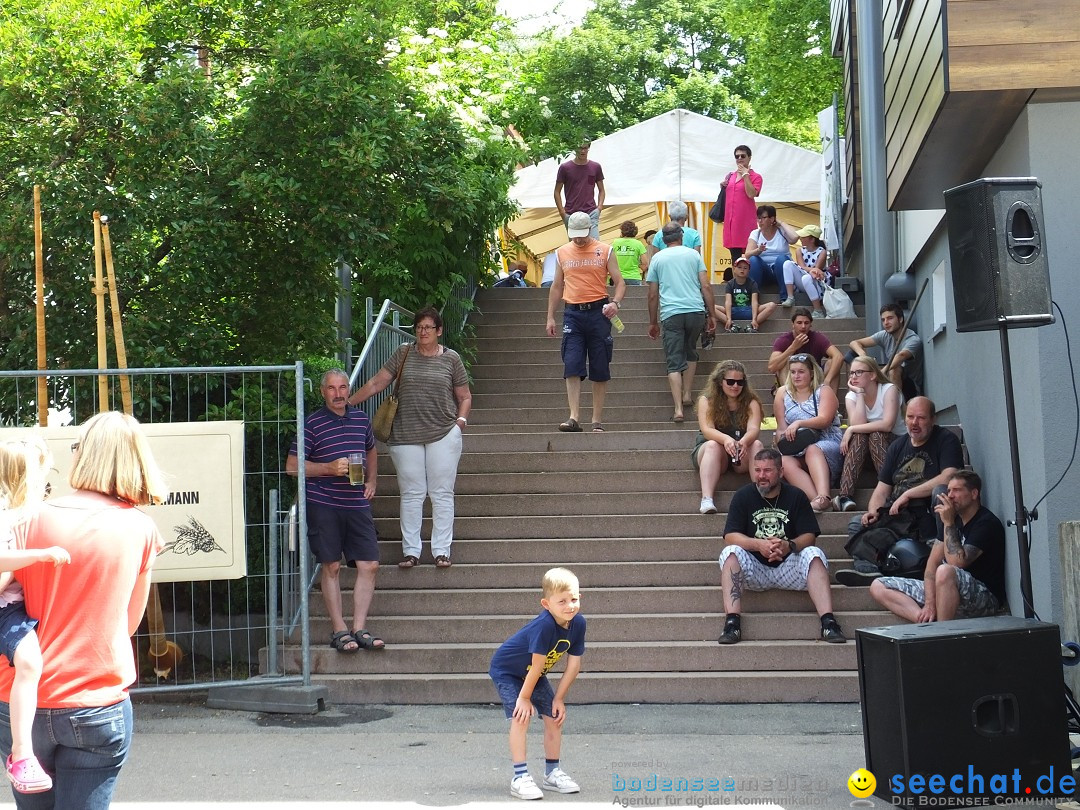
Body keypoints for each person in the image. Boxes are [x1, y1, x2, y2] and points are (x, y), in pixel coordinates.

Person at [0, 411, 167, 809]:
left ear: (85, 455)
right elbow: (128, 624)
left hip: (24, 703)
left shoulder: (29, 518)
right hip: (96, 699)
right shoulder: (142, 530)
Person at [350, 307, 472, 569]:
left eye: (428, 327)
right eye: (419, 327)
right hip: (405, 435)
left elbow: (464, 396)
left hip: (443, 433)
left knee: (441, 493)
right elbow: (376, 383)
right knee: (411, 493)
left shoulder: (451, 359)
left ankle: (441, 551)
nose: (423, 331)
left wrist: (460, 422)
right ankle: (411, 552)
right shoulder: (403, 353)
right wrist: (347, 404)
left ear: (439, 331)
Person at [288, 369, 383, 652]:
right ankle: (340, 630)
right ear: (323, 392)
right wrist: (327, 468)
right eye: (332, 388)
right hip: (324, 502)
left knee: (370, 565)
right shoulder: (311, 424)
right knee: (330, 566)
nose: (339, 393)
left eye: (343, 387)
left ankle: (360, 628)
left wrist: (372, 480)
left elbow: (371, 450)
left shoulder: (362, 419)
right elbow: (292, 467)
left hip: (356, 501)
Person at [717, 449, 847, 644]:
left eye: (768, 470)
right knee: (730, 552)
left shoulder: (796, 496)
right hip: (755, 571)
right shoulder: (743, 496)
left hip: (789, 568)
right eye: (758, 470)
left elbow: (810, 536)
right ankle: (732, 624)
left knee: (814, 553)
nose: (761, 476)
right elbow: (730, 536)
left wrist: (789, 545)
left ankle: (829, 623)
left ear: (781, 471)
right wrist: (757, 544)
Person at [0, 440, 70, 794]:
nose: (45, 480)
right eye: (41, 472)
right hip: (4, 609)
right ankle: (22, 751)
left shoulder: (24, 512)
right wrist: (41, 554)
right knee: (29, 664)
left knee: (29, 663)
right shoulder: (4, 513)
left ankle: (22, 752)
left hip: (8, 608)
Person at [835, 397, 963, 586]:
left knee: (941, 492)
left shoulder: (945, 439)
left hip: (927, 515)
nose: (914, 423)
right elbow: (881, 489)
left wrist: (908, 494)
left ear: (933, 419)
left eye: (921, 418)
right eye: (910, 417)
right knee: (857, 523)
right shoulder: (897, 446)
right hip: (899, 516)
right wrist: (874, 512)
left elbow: (950, 476)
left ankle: (940, 552)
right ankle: (870, 572)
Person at [488, 567, 585, 800]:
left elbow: (573, 665)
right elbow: (538, 665)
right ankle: (519, 777)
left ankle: (552, 773)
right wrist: (523, 698)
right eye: (561, 601)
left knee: (554, 717)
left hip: (533, 673)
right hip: (508, 671)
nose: (569, 605)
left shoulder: (579, 623)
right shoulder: (544, 626)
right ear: (546, 604)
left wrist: (559, 699)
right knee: (520, 716)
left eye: (573, 599)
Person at [869, 470, 1006, 621]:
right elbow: (932, 564)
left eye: (957, 490)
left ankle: (942, 633)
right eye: (949, 490)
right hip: (945, 592)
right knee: (878, 585)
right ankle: (927, 623)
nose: (950, 495)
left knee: (945, 570)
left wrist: (948, 522)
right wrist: (929, 604)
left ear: (974, 494)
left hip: (984, 598)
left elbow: (957, 562)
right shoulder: (954, 521)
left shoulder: (985, 523)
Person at [545, 212, 626, 433]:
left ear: (590, 229)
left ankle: (596, 419)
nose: (579, 240)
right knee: (571, 363)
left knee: (600, 365)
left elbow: (619, 282)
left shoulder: (605, 250)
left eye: (582, 235)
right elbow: (556, 286)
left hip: (598, 312)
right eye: (575, 236)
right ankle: (573, 417)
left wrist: (616, 303)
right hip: (573, 313)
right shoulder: (562, 252)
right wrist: (551, 316)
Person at [647, 223, 717, 423]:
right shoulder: (693, 255)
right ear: (681, 235)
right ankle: (687, 394)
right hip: (695, 310)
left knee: (673, 359)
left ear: (663, 238)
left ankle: (678, 408)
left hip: (671, 313)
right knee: (690, 350)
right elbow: (705, 285)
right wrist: (711, 314)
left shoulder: (657, 258)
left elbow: (652, 294)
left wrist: (653, 321)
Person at [833, 356, 904, 513]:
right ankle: (845, 496)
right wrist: (859, 394)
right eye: (851, 373)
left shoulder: (888, 389)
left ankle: (891, 490)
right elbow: (859, 424)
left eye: (858, 372)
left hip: (895, 448)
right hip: (865, 453)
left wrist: (850, 429)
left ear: (872, 375)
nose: (853, 377)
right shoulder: (852, 396)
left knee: (876, 434)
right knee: (861, 436)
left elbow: (887, 425)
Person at [693, 360, 765, 514]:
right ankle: (707, 498)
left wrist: (744, 442)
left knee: (757, 444)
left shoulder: (751, 402)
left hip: (741, 452)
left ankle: (762, 495)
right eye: (731, 382)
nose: (735, 386)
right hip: (713, 451)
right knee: (712, 445)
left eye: (740, 382)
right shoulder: (706, 400)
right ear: (720, 382)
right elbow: (707, 429)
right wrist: (726, 440)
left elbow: (754, 429)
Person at [774, 354, 843, 512]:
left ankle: (824, 496)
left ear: (811, 372)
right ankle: (819, 501)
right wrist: (782, 439)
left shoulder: (824, 390)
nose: (796, 376)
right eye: (792, 372)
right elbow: (781, 427)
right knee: (784, 461)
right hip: (798, 444)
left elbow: (825, 420)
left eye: (801, 372)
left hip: (826, 440)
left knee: (813, 449)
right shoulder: (782, 393)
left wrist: (799, 423)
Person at [847, 303, 924, 399]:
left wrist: (880, 373)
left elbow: (900, 356)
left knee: (894, 369)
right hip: (891, 381)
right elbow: (854, 343)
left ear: (900, 319)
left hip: (910, 389)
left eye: (890, 318)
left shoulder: (913, 339)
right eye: (883, 320)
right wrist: (863, 355)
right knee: (851, 357)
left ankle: (897, 408)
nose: (886, 323)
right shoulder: (885, 335)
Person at [767, 308, 845, 391]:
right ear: (793, 324)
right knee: (782, 364)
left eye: (806, 323)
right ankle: (790, 399)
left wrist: (827, 380)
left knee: (833, 363)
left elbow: (839, 356)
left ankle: (830, 401)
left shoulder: (817, 337)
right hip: (793, 378)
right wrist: (793, 347)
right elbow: (772, 367)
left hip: (814, 376)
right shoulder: (783, 340)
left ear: (810, 325)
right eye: (799, 323)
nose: (803, 326)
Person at [719, 145, 763, 265]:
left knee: (748, 257)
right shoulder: (730, 176)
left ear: (749, 158)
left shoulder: (756, 177)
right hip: (731, 223)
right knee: (734, 257)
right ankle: (736, 282)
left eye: (743, 156)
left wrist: (745, 175)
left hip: (745, 223)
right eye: (737, 156)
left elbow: (751, 194)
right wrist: (723, 187)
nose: (739, 158)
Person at [553, 139, 604, 240]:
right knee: (575, 247)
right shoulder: (565, 168)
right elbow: (556, 191)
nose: (583, 151)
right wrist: (562, 213)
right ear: (574, 149)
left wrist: (599, 208)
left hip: (591, 212)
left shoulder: (595, 167)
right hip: (571, 213)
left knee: (594, 245)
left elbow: (601, 189)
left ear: (588, 148)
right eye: (580, 148)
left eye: (585, 148)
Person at [714, 256, 778, 333]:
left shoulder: (752, 283)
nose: (742, 270)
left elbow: (754, 302)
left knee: (772, 305)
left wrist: (754, 318)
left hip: (749, 310)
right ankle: (732, 325)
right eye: (739, 267)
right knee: (711, 307)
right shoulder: (730, 284)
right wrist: (729, 318)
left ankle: (751, 325)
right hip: (734, 310)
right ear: (734, 269)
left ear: (748, 270)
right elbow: (728, 302)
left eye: (745, 268)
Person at [744, 205, 799, 293]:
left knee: (782, 259)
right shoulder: (755, 233)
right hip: (765, 272)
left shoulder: (781, 231)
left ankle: (785, 297)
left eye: (763, 218)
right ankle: (753, 295)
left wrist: (781, 223)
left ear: (772, 219)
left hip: (781, 270)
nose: (760, 221)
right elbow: (747, 254)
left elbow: (795, 237)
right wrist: (758, 250)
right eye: (758, 218)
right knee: (753, 259)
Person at [781, 225, 828, 317]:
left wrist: (813, 270)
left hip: (816, 282)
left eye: (803, 237)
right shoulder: (799, 250)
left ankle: (818, 310)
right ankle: (790, 297)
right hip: (803, 280)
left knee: (806, 278)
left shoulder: (822, 252)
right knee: (787, 263)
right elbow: (803, 267)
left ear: (812, 239)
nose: (800, 239)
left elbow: (817, 271)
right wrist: (812, 269)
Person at [611, 221, 648, 286]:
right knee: (635, 296)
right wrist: (638, 264)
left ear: (622, 231)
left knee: (619, 296)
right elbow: (645, 265)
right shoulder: (638, 243)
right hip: (634, 277)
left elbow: (610, 261)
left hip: (618, 277)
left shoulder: (615, 243)